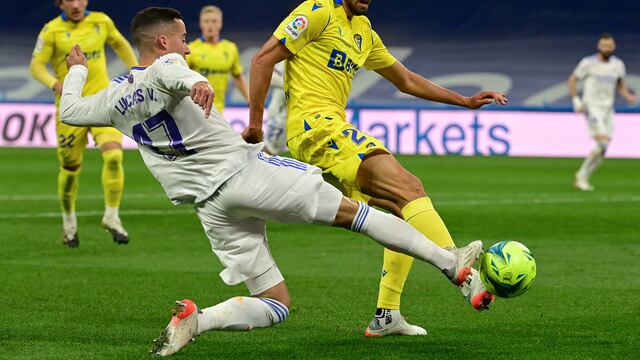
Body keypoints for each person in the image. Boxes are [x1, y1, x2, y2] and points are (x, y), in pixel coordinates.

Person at [60, 7, 489, 357]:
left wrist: (77, 70)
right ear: (163, 42)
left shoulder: (115, 98)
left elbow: (71, 112)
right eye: (184, 38)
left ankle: (198, 318)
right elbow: (176, 73)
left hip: (209, 209)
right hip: (244, 175)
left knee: (276, 303)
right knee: (358, 214)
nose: (189, 47)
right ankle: (452, 265)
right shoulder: (170, 66)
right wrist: (200, 82)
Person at [243, 0, 506, 336]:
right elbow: (263, 58)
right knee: (408, 187)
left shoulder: (363, 32)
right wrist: (255, 125)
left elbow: (406, 80)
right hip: (316, 127)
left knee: (399, 212)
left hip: (328, 130)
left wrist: (465, 101)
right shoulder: (317, 11)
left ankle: (387, 315)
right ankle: (455, 265)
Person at [29, 0, 137, 247]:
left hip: (102, 103)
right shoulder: (51, 30)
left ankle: (112, 217)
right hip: (70, 108)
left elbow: (120, 43)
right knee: (69, 170)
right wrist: (55, 84)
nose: (76, 4)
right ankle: (69, 224)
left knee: (114, 157)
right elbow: (36, 65)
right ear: (60, 4)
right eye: (69, 0)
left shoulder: (101, 20)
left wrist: (136, 69)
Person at [568, 33, 636, 191]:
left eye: (610, 46)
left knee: (604, 147)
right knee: (602, 142)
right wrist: (576, 100)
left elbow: (619, 83)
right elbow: (572, 80)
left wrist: (627, 96)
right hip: (592, 106)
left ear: (614, 47)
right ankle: (581, 176)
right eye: (604, 46)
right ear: (599, 46)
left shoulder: (618, 64)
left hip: (608, 108)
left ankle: (583, 176)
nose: (607, 48)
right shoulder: (588, 63)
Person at [186, 5, 248, 115]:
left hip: (219, 111)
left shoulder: (230, 48)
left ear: (220, 23)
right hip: (195, 110)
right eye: (206, 21)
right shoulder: (191, 49)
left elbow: (237, 76)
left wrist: (249, 100)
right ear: (201, 24)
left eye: (214, 21)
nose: (210, 25)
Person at [263, 61, 288, 154]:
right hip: (278, 112)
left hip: (291, 111)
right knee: (271, 148)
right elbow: (270, 78)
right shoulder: (283, 60)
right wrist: (290, 85)